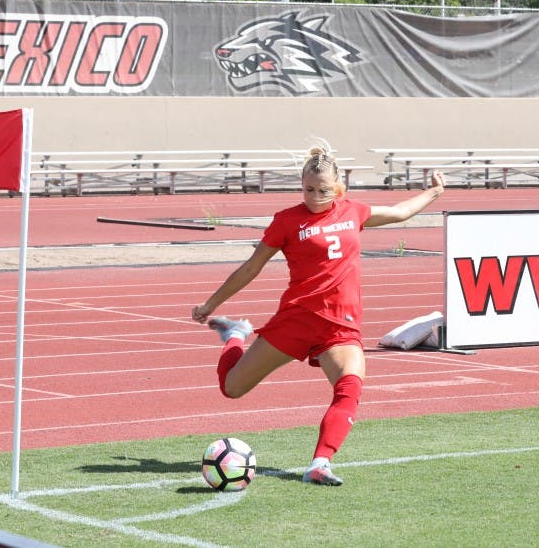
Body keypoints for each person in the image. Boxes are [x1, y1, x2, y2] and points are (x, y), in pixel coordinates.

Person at [191, 141, 445, 486]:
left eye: (323, 190)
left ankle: (320, 463)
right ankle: (235, 333)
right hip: (297, 319)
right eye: (308, 189)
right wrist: (210, 305)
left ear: (339, 187)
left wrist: (434, 191)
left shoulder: (354, 211)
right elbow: (250, 268)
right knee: (232, 388)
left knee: (350, 388)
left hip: (340, 325)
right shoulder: (287, 220)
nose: (314, 196)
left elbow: (401, 212)